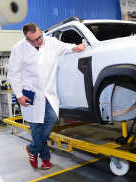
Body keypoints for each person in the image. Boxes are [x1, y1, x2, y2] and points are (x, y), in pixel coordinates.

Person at [7, 23, 85, 170]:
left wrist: (75, 47)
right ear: (27, 39)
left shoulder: (50, 42)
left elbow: (64, 47)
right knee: (36, 127)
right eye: (34, 40)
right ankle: (46, 159)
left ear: (40, 33)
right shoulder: (19, 49)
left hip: (48, 92)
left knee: (52, 119)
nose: (39, 41)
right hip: (29, 93)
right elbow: (13, 74)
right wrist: (18, 95)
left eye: (39, 37)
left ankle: (32, 148)